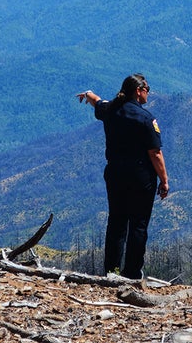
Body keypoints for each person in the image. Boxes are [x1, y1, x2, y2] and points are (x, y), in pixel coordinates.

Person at [77, 74, 169, 279]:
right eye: (147, 89)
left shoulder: (111, 110)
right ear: (138, 91)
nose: (148, 93)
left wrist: (88, 94)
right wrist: (164, 181)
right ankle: (132, 272)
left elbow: (97, 102)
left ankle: (112, 270)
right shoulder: (146, 118)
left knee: (116, 222)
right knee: (138, 224)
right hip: (140, 177)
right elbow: (155, 153)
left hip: (115, 174)